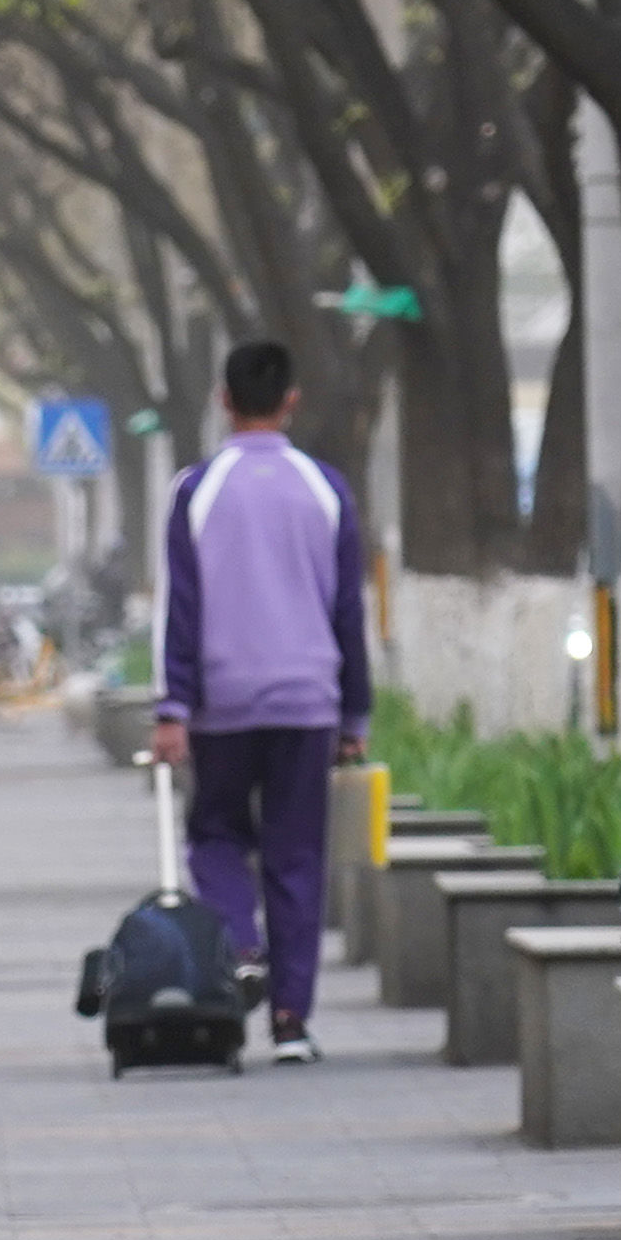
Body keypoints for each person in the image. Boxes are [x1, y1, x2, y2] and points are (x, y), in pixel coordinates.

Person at [150, 338, 370, 1066]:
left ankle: (238, 944)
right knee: (296, 857)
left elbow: (178, 609)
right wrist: (353, 716)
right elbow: (348, 612)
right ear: (290, 400)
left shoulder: (196, 489)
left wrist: (171, 708)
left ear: (222, 399)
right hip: (308, 701)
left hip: (221, 703)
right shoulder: (325, 488)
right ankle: (289, 1022)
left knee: (213, 835)